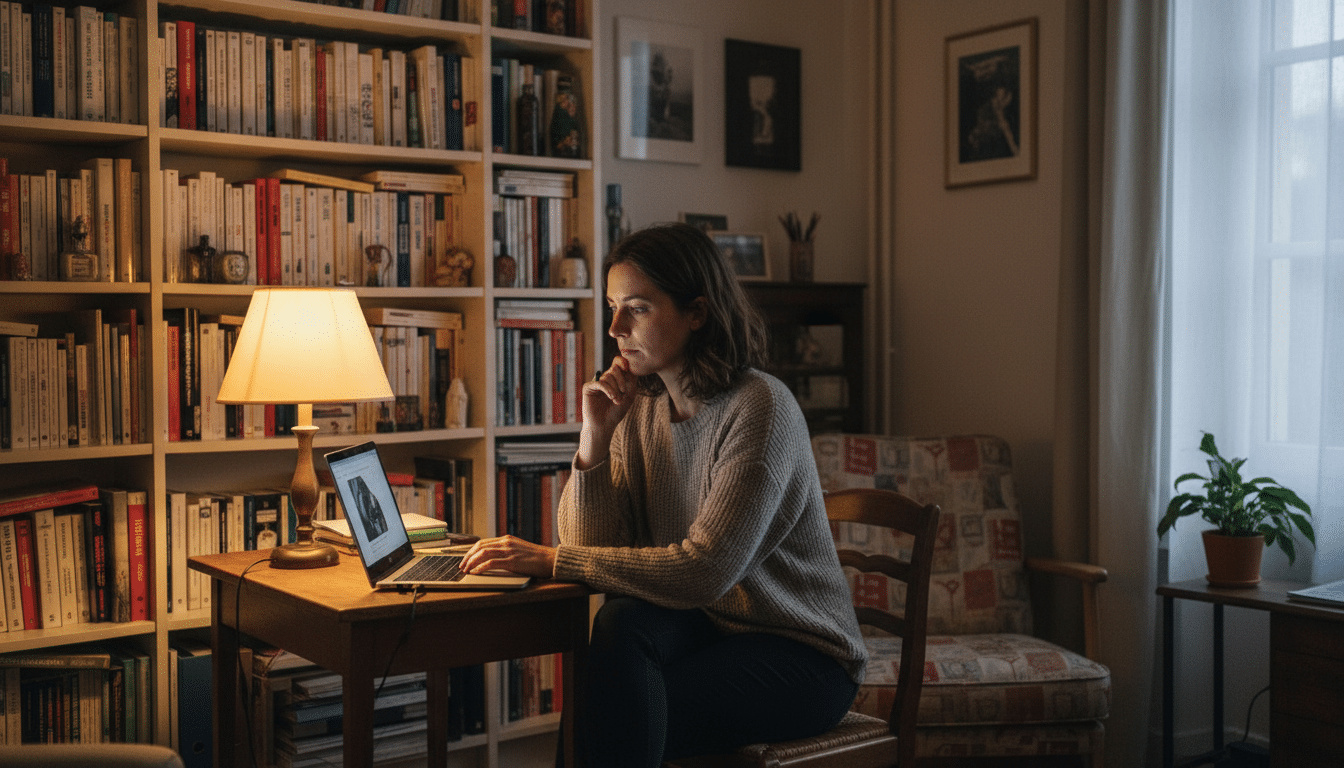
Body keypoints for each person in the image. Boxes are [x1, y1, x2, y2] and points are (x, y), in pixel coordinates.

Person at [460, 223, 866, 767]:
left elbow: (703, 570)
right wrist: (595, 439)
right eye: (612, 307)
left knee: (608, 707)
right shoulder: (641, 407)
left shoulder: (761, 410)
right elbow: (592, 545)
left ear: (696, 312)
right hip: (713, 627)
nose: (614, 328)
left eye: (638, 309)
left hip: (802, 655)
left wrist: (552, 559)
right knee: (618, 624)